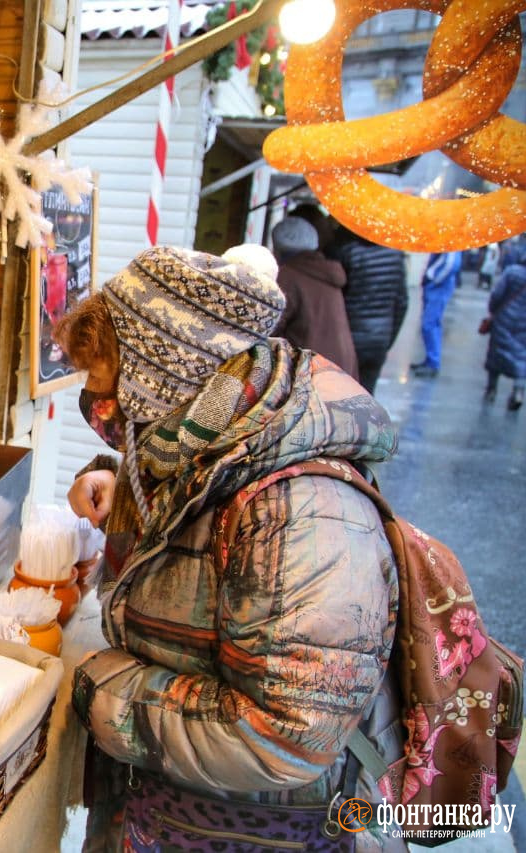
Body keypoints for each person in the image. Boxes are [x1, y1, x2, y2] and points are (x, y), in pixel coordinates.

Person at [56, 245, 402, 851]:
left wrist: (102, 692)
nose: (99, 410)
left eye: (109, 386)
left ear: (169, 379)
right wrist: (124, 488)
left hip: (246, 833)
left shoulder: (302, 513)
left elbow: (286, 738)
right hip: (163, 809)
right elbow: (196, 505)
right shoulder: (212, 438)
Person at [271, 216, 359, 379]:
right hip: (341, 366)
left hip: (312, 370)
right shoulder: (326, 271)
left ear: (277, 248)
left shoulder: (289, 276)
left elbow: (272, 324)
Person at [333, 226, 409, 395]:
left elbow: (339, 299)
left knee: (341, 394)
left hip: (350, 336)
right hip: (379, 340)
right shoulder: (395, 256)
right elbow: (402, 303)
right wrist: (388, 339)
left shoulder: (350, 253)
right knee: (366, 394)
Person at [482, 241, 526, 410]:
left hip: (504, 320)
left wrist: (493, 310)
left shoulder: (512, 272)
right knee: (522, 357)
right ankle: (518, 391)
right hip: (525, 326)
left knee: (497, 355)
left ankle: (491, 389)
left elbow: (497, 294)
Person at [411, 249, 463, 378]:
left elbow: (451, 264)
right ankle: (430, 360)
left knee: (429, 324)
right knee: (432, 324)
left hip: (438, 286)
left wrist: (432, 277)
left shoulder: (452, 238)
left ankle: (432, 362)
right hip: (437, 285)